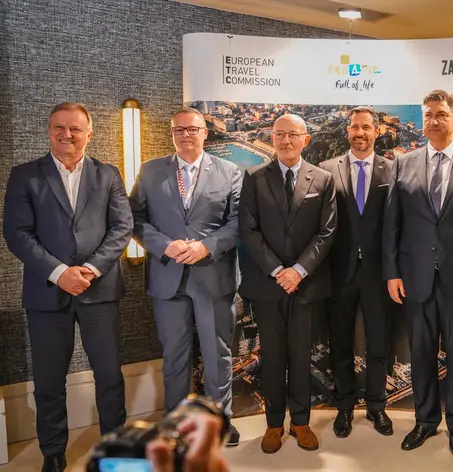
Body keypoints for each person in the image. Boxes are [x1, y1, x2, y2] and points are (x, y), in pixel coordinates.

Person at [3, 102, 133, 472]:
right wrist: (60, 272)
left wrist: (90, 269)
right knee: (48, 380)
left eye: (75, 128)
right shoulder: (25, 175)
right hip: (46, 293)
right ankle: (53, 452)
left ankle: (115, 449)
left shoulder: (108, 174)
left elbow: (122, 227)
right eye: (58, 127)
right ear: (49, 131)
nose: (66, 134)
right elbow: (17, 233)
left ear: (89, 133)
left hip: (99, 289)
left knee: (109, 375)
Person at [382, 89, 453, 456]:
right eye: (428, 114)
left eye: (441, 114)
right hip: (415, 278)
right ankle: (425, 421)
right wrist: (392, 272)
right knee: (421, 354)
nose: (432, 120)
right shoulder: (404, 163)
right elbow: (392, 224)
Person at [129, 107, 242, 446]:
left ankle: (220, 421)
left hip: (213, 276)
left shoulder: (230, 171)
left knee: (217, 355)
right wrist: (165, 245)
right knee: (174, 356)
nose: (185, 135)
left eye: (192, 129)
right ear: (172, 133)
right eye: (179, 130)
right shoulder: (150, 171)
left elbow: (239, 222)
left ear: (205, 132)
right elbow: (134, 219)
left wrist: (207, 246)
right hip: (168, 277)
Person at [238, 114, 337, 453]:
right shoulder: (253, 177)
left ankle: (301, 422)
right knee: (272, 357)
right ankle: (273, 424)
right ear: (272, 137)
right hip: (268, 285)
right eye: (279, 134)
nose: (286, 141)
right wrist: (278, 270)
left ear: (305, 139)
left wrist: (299, 271)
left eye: (293, 134)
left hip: (306, 285)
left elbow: (327, 231)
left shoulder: (323, 179)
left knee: (301, 356)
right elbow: (249, 230)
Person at [319, 106, 394, 438]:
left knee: (379, 344)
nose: (360, 133)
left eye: (366, 127)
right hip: (339, 272)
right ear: (347, 131)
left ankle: (377, 407)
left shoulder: (393, 170)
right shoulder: (326, 170)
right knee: (340, 344)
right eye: (354, 127)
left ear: (376, 131)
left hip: (379, 273)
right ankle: (345, 407)